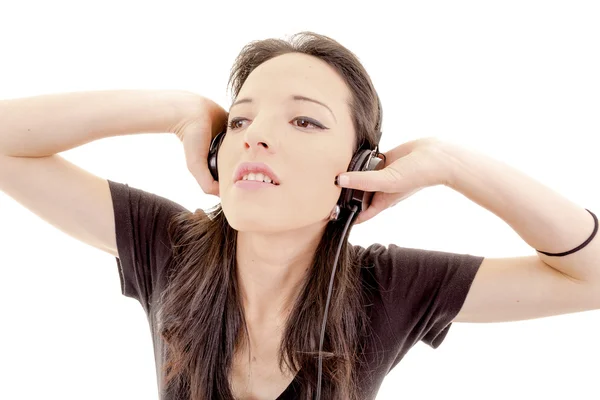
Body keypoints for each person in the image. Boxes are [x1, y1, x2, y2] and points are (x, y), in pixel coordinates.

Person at [0, 31, 598, 400]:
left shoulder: (384, 290)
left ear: (360, 167)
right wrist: (174, 108)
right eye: (239, 120)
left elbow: (591, 278)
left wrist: (454, 164)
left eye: (305, 120)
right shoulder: (168, 247)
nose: (255, 137)